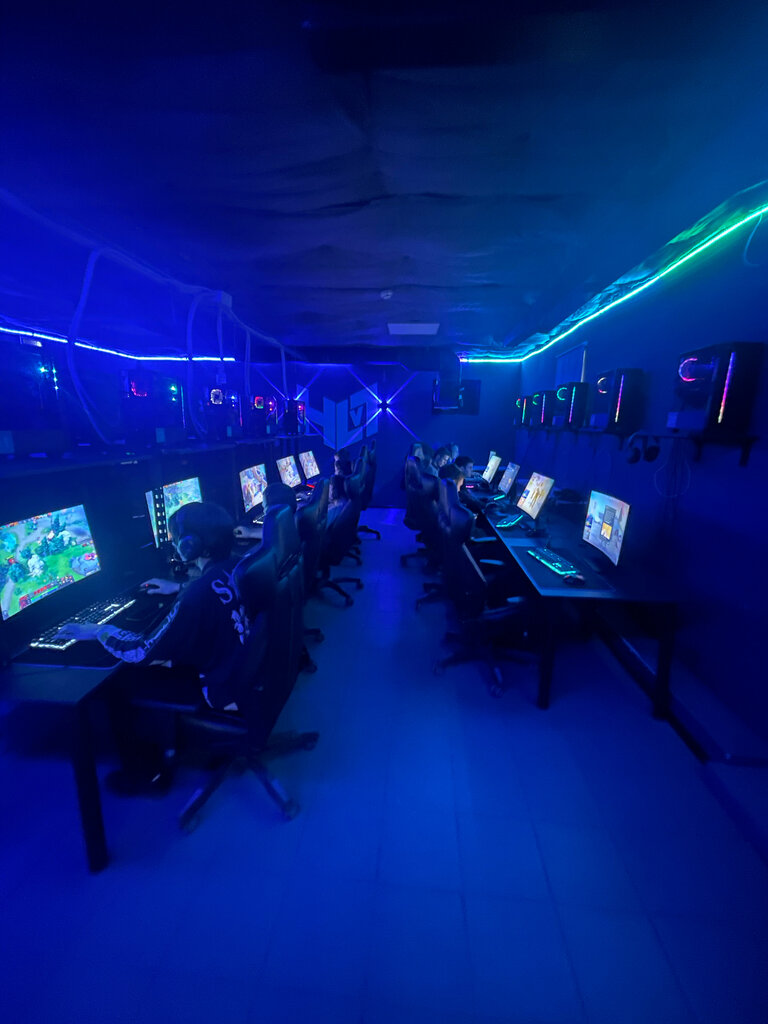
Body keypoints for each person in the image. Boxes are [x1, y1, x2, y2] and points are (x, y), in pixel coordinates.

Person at [56, 502, 249, 795]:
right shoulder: (238, 565)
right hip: (247, 669)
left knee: (119, 681)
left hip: (224, 688)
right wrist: (179, 588)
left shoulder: (196, 597)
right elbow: (212, 592)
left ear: (191, 546)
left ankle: (147, 776)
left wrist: (98, 630)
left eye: (178, 540)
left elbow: (141, 652)